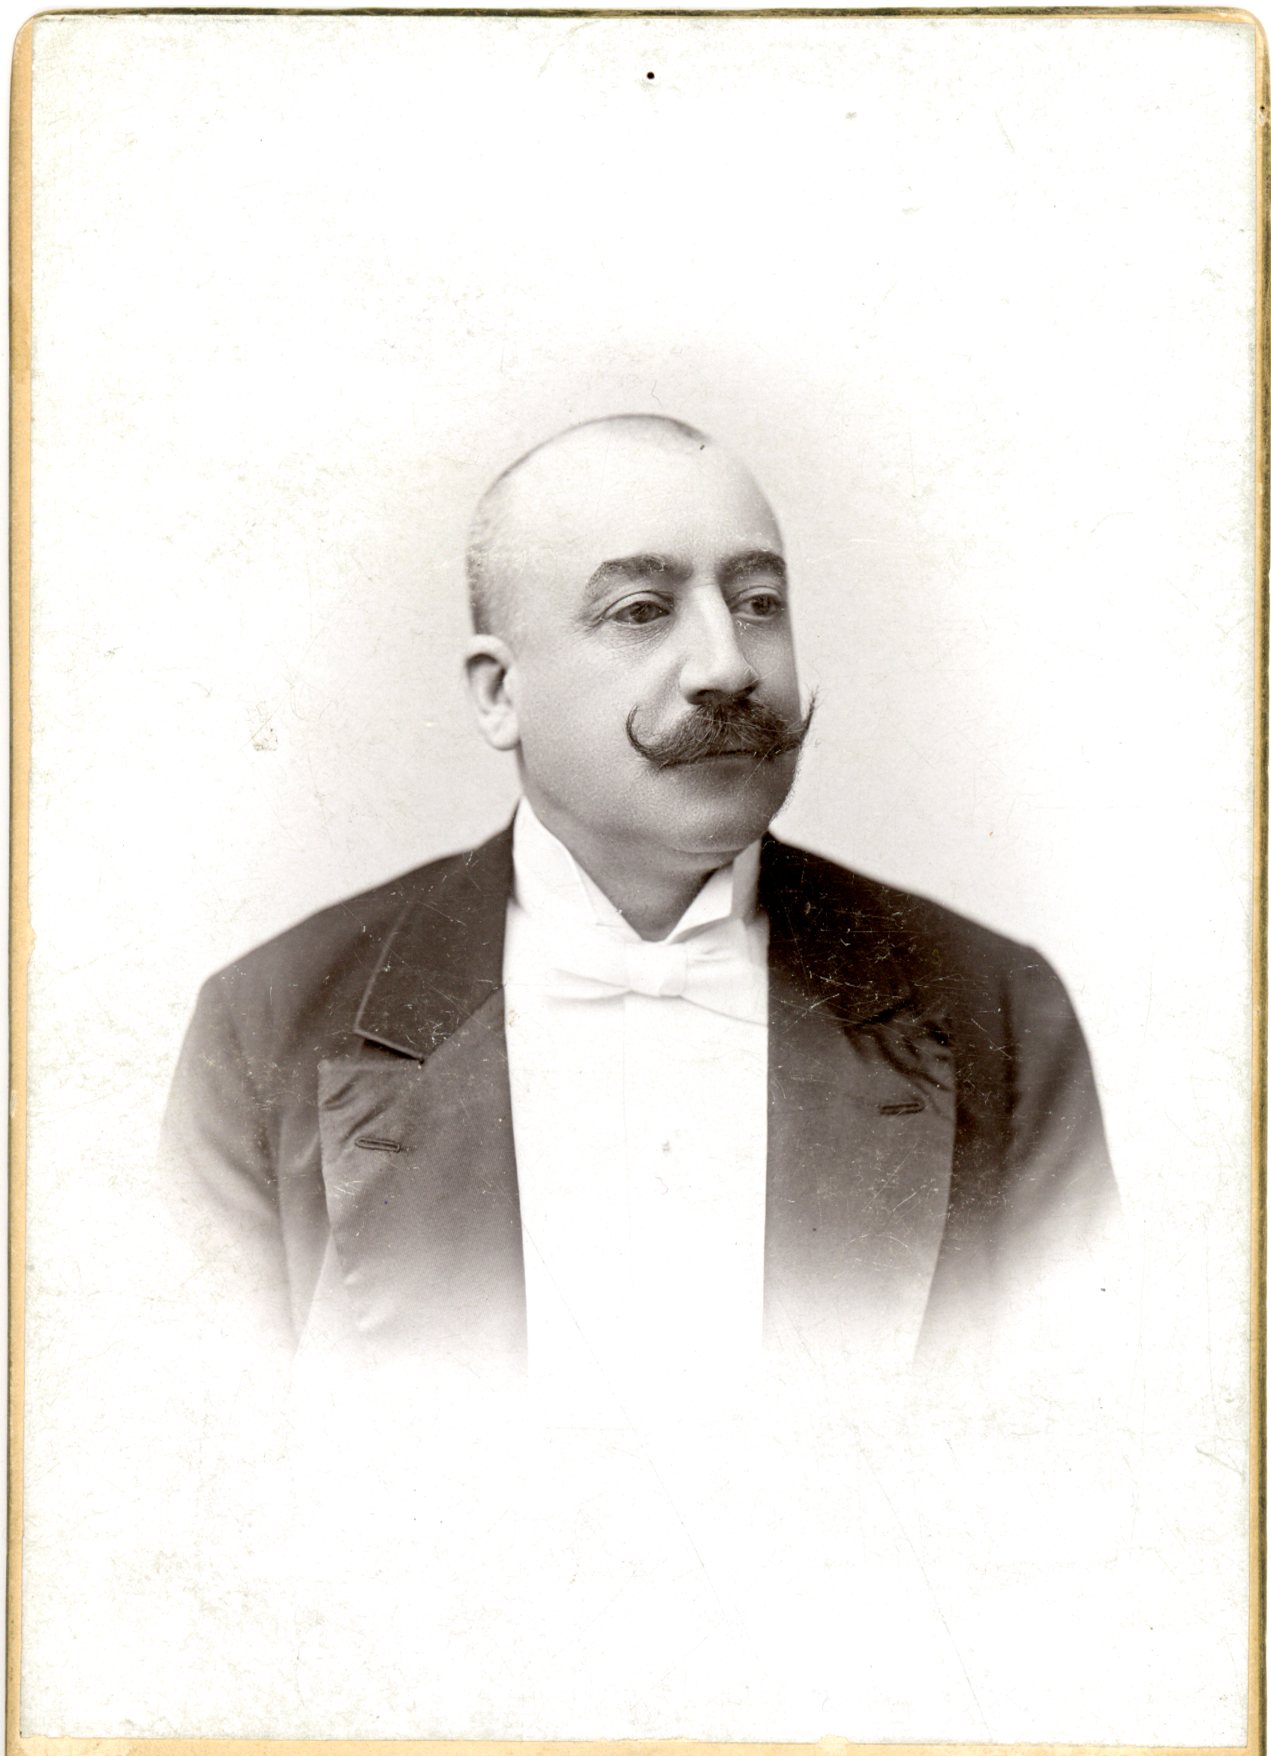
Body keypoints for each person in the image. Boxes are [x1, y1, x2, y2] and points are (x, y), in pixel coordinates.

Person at [164, 413, 1115, 1393]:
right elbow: (212, 1451)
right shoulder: (267, 1027)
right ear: (498, 694)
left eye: (757, 602)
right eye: (640, 611)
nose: (728, 665)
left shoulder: (997, 1010)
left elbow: (1072, 1431)